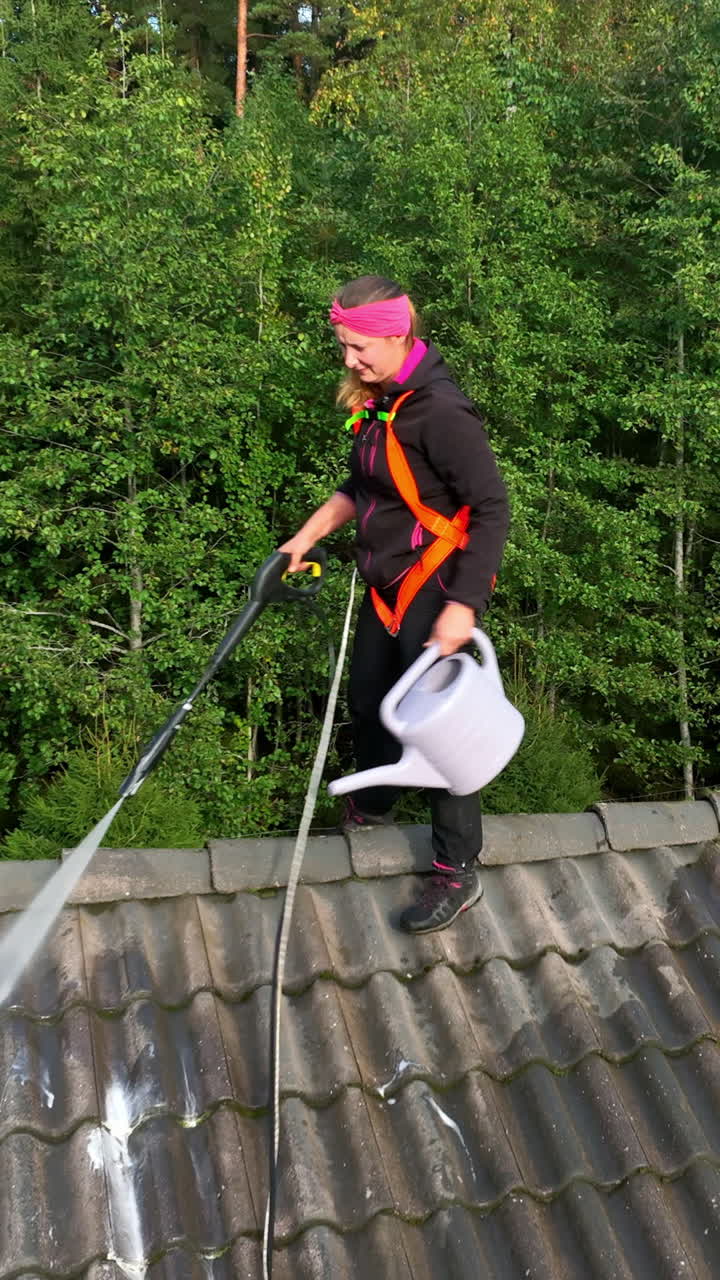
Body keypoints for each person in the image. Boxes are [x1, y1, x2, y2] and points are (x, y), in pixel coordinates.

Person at [279, 275, 509, 933]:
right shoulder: (382, 405)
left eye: (356, 347)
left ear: (395, 334)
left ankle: (456, 872)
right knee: (369, 698)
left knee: (439, 732)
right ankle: (372, 808)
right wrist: (304, 538)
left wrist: (464, 604)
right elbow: (362, 487)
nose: (348, 360)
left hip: (436, 587)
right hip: (387, 583)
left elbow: (492, 507)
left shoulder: (440, 411)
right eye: (343, 346)